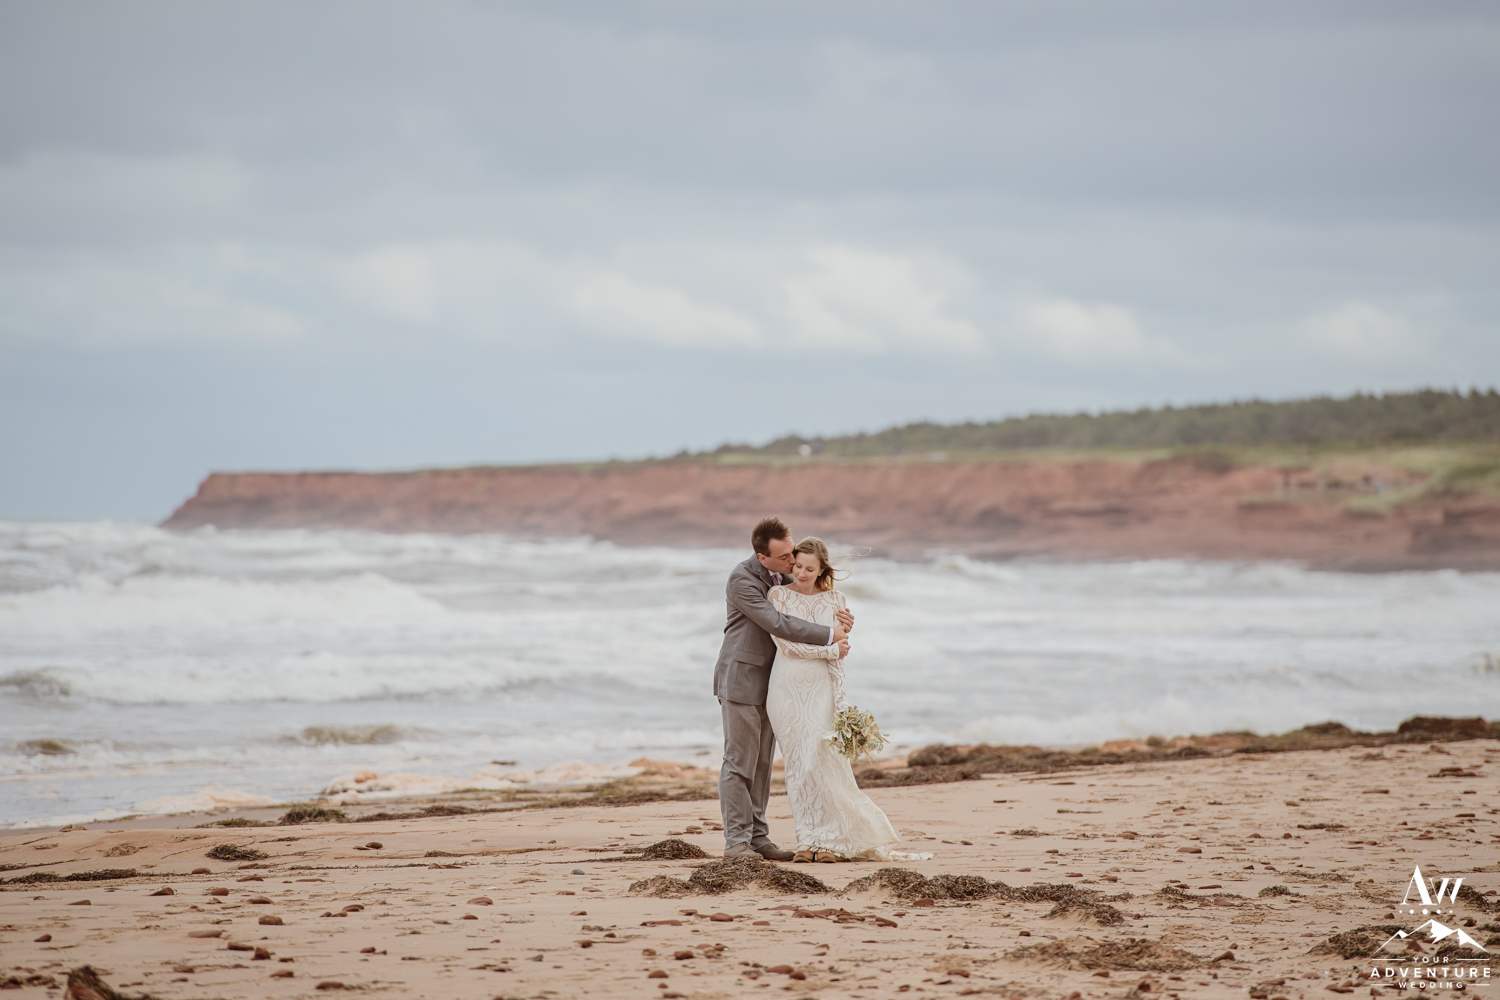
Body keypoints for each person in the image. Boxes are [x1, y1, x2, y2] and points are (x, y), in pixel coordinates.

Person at [766, 536, 919, 862]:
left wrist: (841, 702)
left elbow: (839, 659)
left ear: (822, 570)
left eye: (810, 569)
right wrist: (831, 650)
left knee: (823, 763)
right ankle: (807, 841)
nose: (802, 573)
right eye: (798, 566)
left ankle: (831, 842)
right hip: (784, 688)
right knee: (798, 766)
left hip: (821, 689)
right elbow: (786, 645)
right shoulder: (777, 595)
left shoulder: (836, 599)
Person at [715, 516, 852, 860]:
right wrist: (828, 636)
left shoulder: (786, 575)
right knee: (739, 762)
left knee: (762, 764)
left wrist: (840, 619)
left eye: (792, 552)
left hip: (777, 683)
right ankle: (736, 842)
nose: (793, 561)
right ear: (762, 557)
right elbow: (776, 621)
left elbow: (809, 600)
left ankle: (759, 839)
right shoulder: (741, 579)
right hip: (741, 680)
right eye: (784, 557)